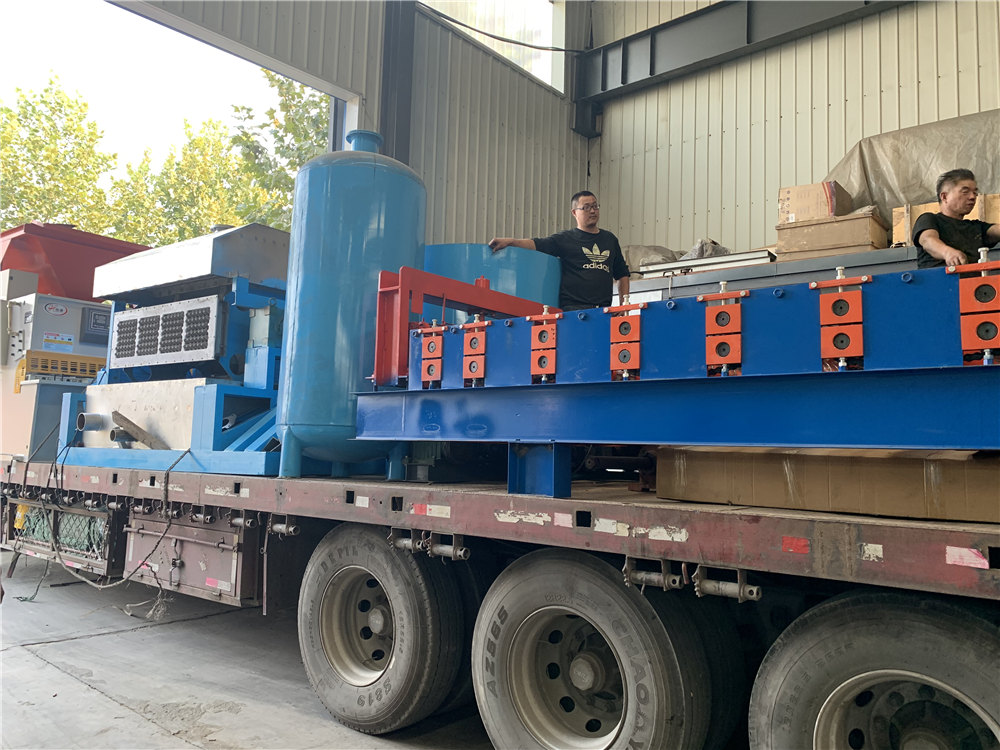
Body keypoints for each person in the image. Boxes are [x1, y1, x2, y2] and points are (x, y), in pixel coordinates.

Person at [489, 191, 630, 311]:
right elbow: (538, 244)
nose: (592, 211)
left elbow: (622, 274)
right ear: (574, 212)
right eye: (586, 207)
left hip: (603, 311)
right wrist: (511, 242)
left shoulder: (610, 239)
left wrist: (624, 306)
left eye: (595, 206)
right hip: (574, 311)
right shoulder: (565, 239)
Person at [912, 169, 1000, 268]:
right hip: (937, 277)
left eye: (974, 192)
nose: (972, 197)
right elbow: (928, 240)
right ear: (944, 197)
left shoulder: (976, 227)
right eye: (965, 192)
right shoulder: (929, 219)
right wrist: (947, 253)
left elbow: (996, 230)